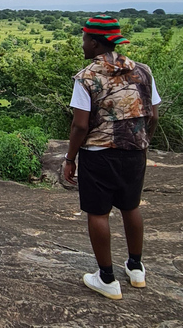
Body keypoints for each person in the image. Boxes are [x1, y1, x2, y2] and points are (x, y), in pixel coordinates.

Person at [63, 15, 160, 300]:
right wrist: (143, 142)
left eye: (84, 39)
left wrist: (70, 158)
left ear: (94, 43)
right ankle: (136, 267)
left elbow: (80, 125)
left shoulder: (87, 76)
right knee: (131, 207)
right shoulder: (143, 71)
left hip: (99, 153)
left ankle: (106, 278)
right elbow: (153, 114)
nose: (82, 44)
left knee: (98, 212)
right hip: (135, 151)